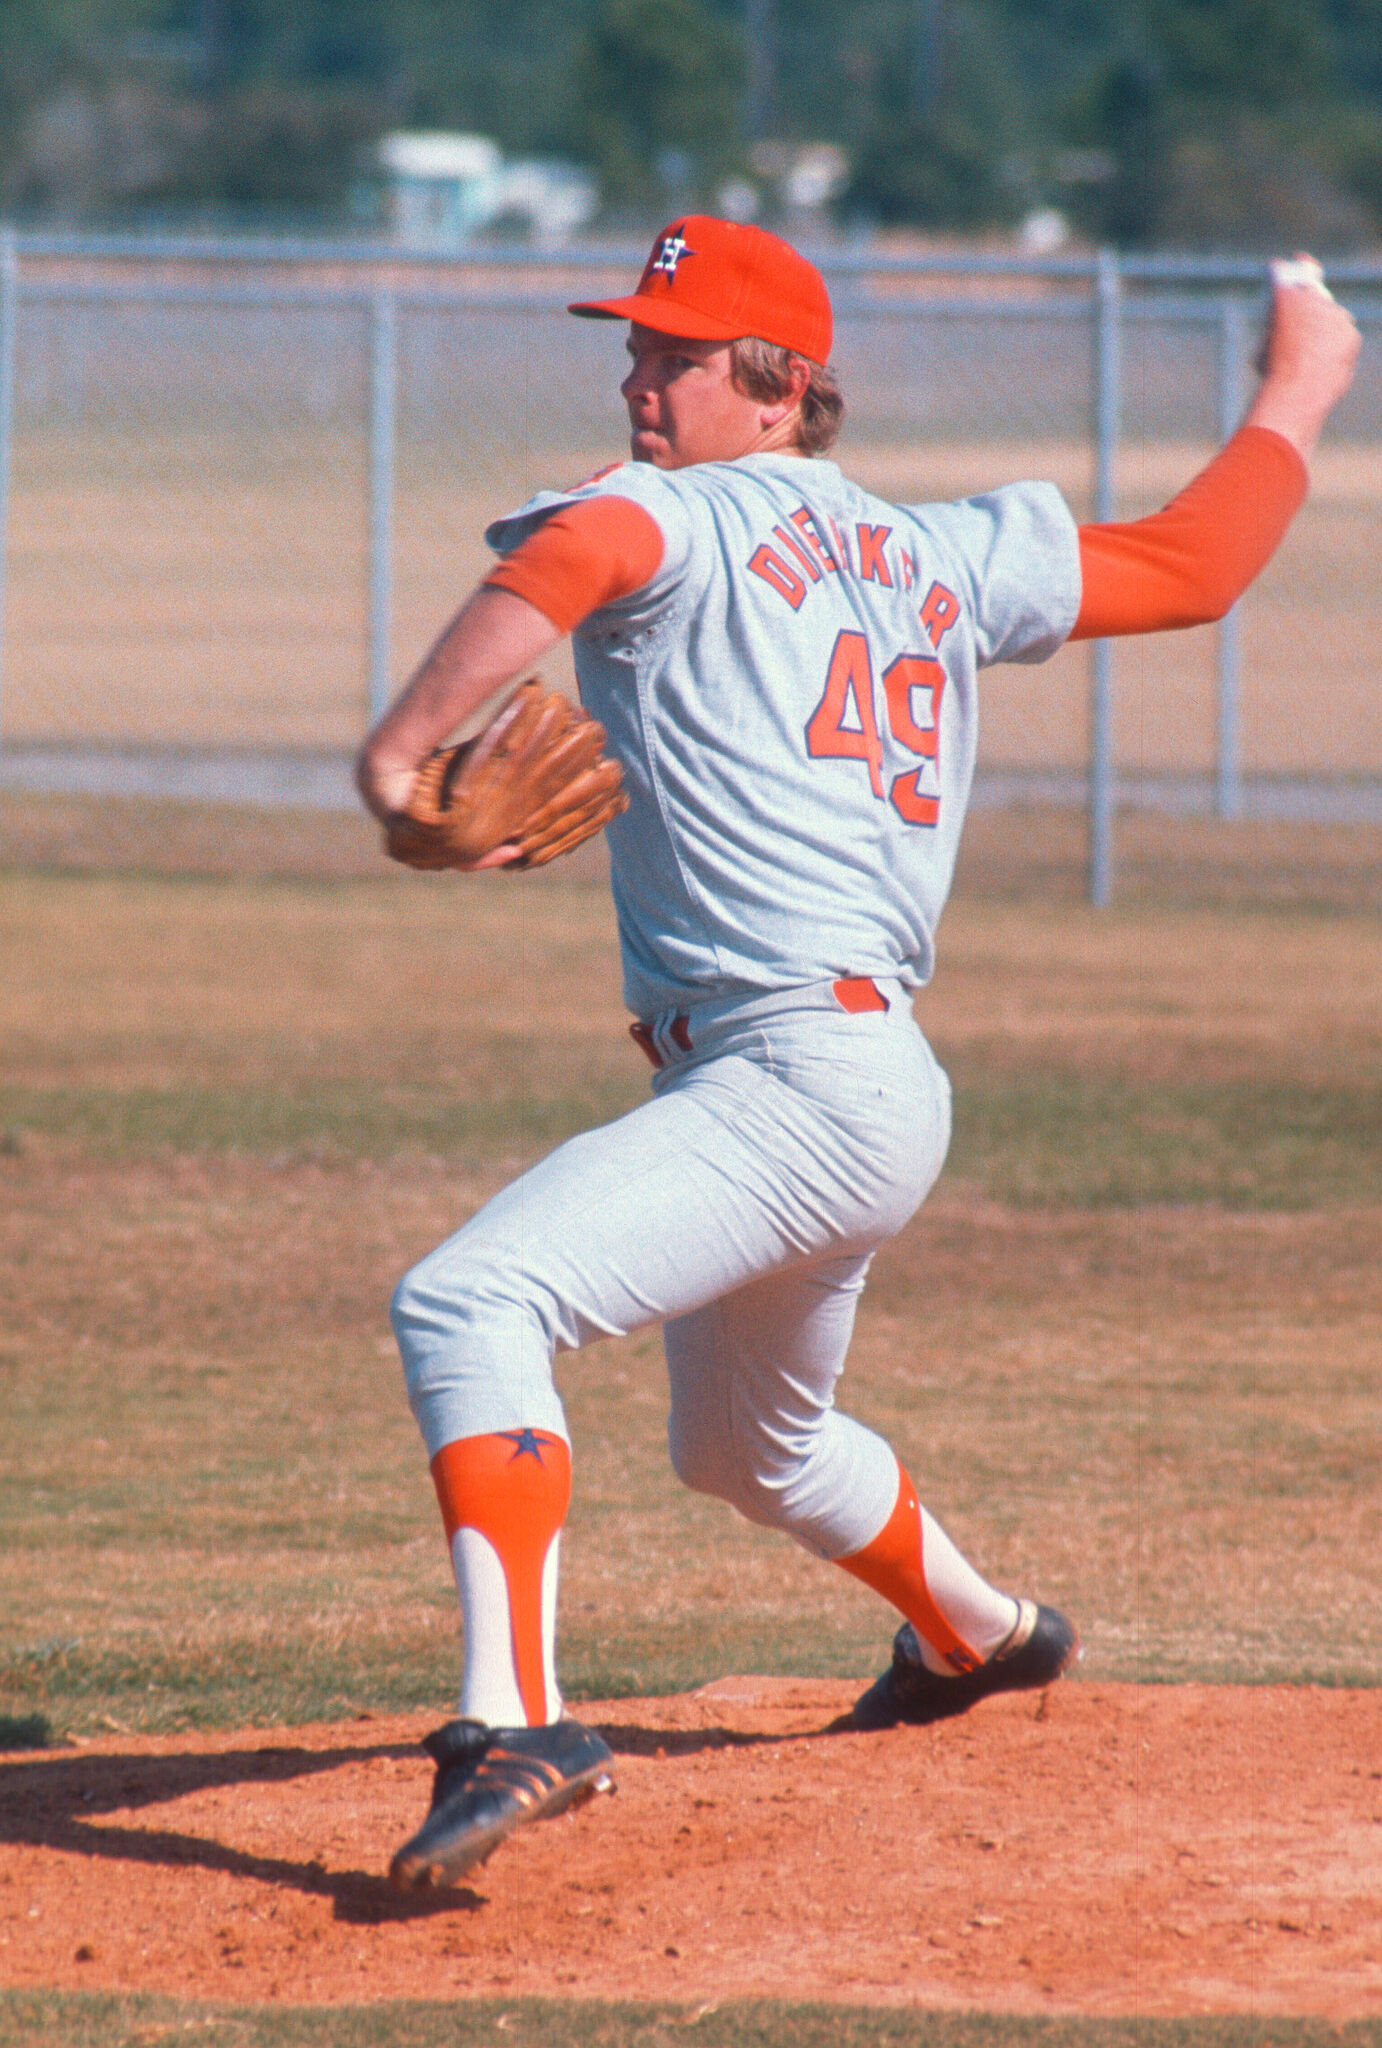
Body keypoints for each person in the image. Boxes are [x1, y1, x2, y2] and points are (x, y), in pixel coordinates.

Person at [356, 218, 1359, 1892]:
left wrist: (399, 759)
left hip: (790, 1076)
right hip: (858, 1083)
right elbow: (1195, 570)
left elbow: (578, 554)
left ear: (777, 388)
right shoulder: (930, 551)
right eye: (636, 344)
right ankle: (979, 1633)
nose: (636, 375)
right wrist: (1300, 386)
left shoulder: (658, 510)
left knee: (470, 1303)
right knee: (742, 1447)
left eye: (670, 352)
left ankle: (513, 1717)